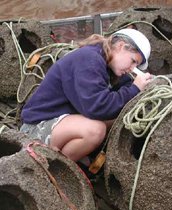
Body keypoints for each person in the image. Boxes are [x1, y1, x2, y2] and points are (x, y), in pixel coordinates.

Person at [20, 28, 152, 165]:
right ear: (121, 46)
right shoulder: (89, 59)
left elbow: (121, 98)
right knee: (95, 131)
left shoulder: (106, 62)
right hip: (36, 127)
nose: (132, 68)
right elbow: (97, 107)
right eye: (133, 61)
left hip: (61, 122)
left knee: (120, 117)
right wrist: (135, 89)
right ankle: (55, 170)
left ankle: (72, 160)